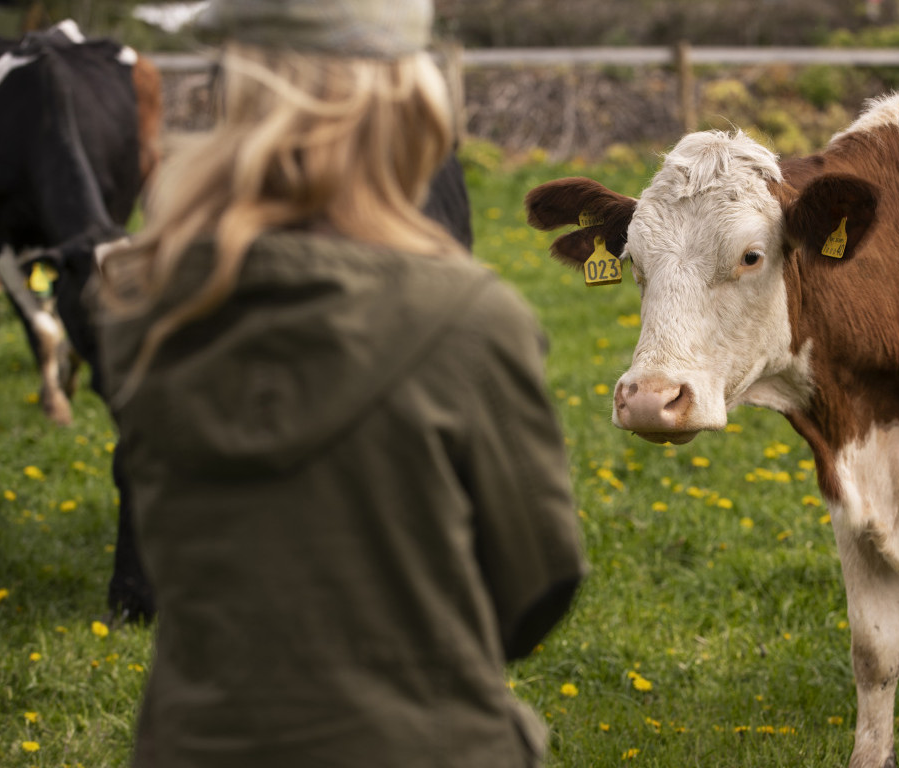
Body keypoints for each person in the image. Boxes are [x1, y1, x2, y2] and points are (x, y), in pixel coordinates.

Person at [97, 1, 587, 766]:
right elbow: (535, 588)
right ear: (410, 104)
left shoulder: (137, 307)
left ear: (236, 98)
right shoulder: (469, 322)